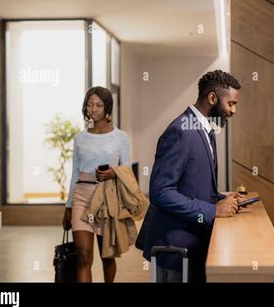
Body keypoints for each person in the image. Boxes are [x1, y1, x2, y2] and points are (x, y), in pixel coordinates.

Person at [143, 70, 245, 282]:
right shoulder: (180, 131)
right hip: (174, 248)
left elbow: (195, 186)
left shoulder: (205, 130)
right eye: (231, 104)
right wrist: (213, 210)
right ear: (212, 98)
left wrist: (221, 198)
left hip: (194, 244)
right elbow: (160, 192)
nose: (233, 111)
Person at [62, 86, 131, 282]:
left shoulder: (121, 137)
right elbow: (75, 172)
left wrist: (112, 173)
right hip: (82, 198)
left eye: (99, 105)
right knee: (83, 257)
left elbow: (126, 170)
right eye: (90, 105)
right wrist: (68, 207)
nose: (93, 109)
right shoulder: (80, 138)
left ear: (107, 107)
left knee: (107, 257)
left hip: (107, 200)